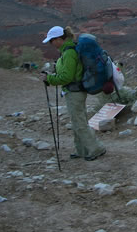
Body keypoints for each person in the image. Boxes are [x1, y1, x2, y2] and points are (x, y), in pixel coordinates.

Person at [39, 26, 106, 161]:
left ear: (58, 39)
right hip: (74, 91)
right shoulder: (67, 51)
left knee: (79, 122)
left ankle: (96, 149)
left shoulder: (69, 53)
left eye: (51, 41)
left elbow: (67, 77)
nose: (51, 44)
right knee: (77, 121)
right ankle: (81, 150)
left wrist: (49, 79)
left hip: (75, 92)